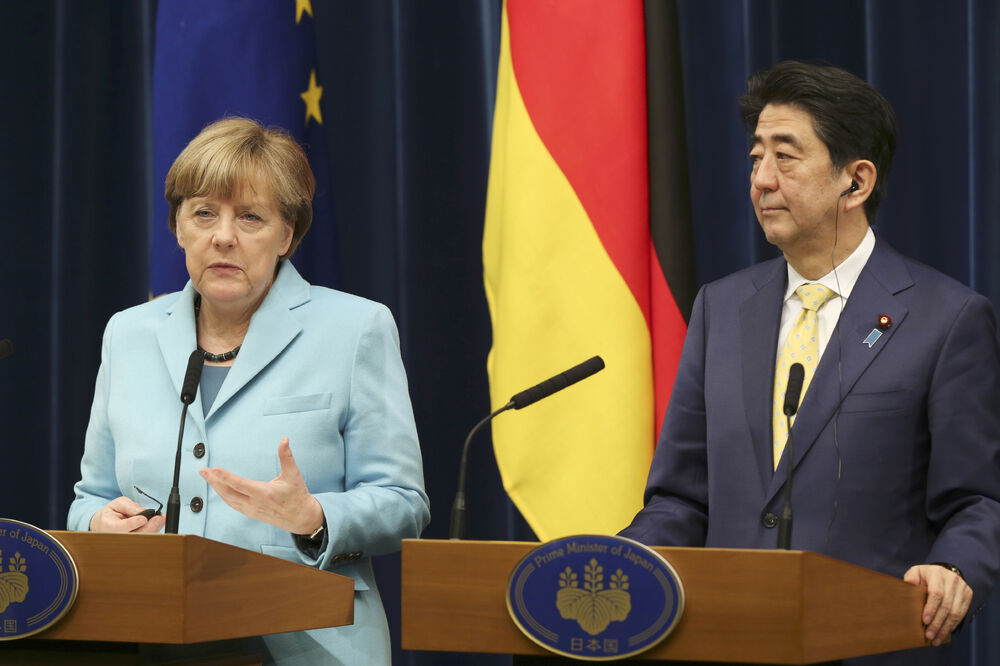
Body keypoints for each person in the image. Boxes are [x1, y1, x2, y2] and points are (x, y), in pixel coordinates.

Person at [620, 61, 1000, 665]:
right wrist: (621, 562)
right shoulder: (721, 308)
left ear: (856, 182)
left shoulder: (945, 319)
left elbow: (978, 500)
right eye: (754, 159)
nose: (762, 180)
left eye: (785, 157)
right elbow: (682, 499)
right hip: (725, 643)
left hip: (869, 643)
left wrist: (956, 567)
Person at [68, 117, 430, 664]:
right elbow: (88, 498)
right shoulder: (129, 333)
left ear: (287, 236)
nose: (223, 236)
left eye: (251, 217)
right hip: (152, 636)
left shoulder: (354, 328)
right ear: (179, 227)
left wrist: (314, 517)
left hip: (309, 642)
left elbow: (404, 503)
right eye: (204, 213)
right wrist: (101, 525)